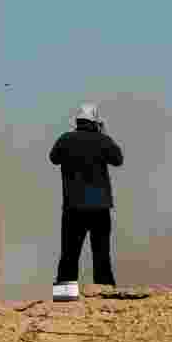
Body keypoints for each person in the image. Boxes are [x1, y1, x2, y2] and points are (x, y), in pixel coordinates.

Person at [50, 103, 123, 287]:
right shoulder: (102, 140)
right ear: (96, 122)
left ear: (77, 121)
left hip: (73, 207)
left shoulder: (65, 139)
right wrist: (104, 134)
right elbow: (118, 159)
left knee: (69, 253)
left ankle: (64, 293)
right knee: (101, 253)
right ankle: (105, 292)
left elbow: (54, 158)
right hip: (99, 207)